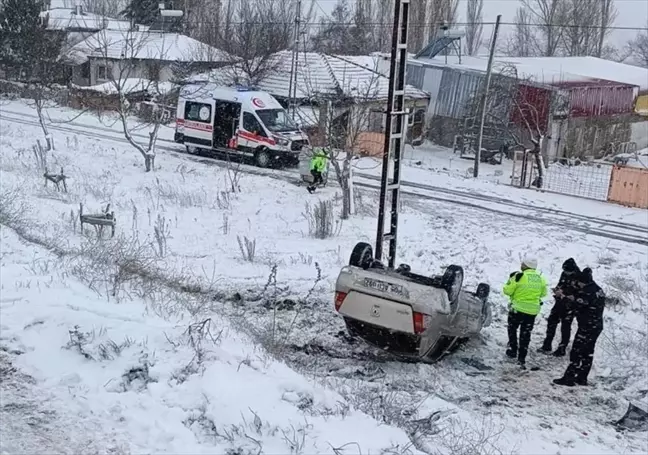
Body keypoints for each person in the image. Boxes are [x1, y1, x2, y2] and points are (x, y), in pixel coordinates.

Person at [553, 268, 605, 387]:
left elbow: (577, 306)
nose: (577, 285)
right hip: (596, 325)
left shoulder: (587, 292)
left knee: (576, 352)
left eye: (578, 283)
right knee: (588, 352)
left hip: (587, 326)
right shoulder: (598, 289)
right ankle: (582, 377)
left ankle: (569, 378)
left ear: (583, 282)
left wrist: (563, 297)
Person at [503, 256, 548, 368]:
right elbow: (543, 294)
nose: (521, 265)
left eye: (522, 264)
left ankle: (513, 350)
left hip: (517, 309)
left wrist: (510, 281)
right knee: (525, 333)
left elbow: (507, 291)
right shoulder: (540, 278)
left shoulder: (519, 276)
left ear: (525, 266)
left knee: (512, 328)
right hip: (532, 311)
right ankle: (522, 357)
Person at [538, 258, 580, 356]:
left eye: (567, 271)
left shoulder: (579, 277)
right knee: (551, 321)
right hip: (559, 302)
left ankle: (562, 348)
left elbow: (579, 293)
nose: (565, 272)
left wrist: (569, 296)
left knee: (565, 327)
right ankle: (547, 344)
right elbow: (560, 284)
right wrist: (558, 290)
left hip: (570, 306)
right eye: (564, 270)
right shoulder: (564, 274)